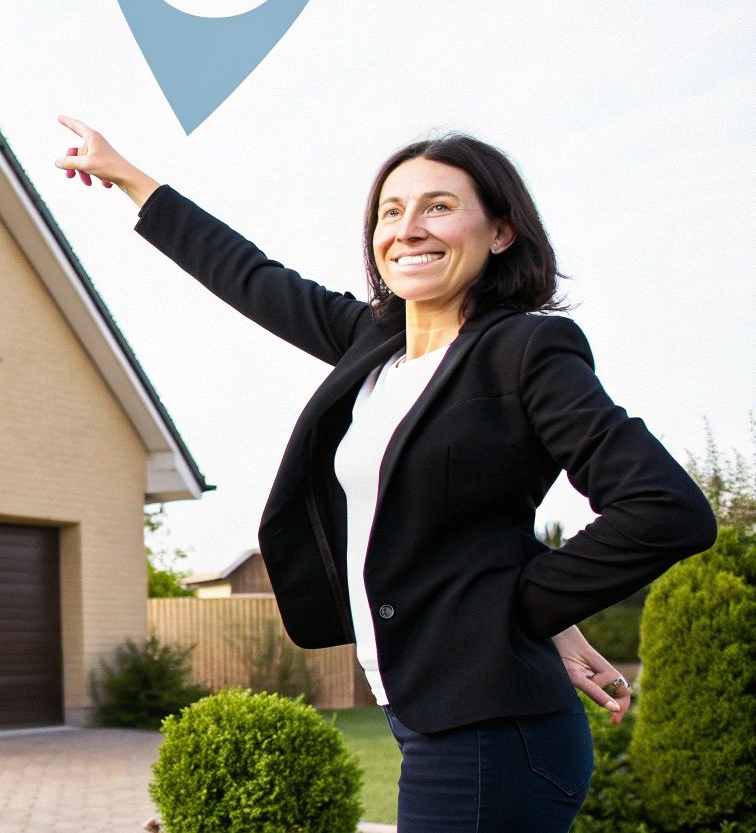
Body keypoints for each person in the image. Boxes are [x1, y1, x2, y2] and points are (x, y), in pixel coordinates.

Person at [53, 117, 716, 832]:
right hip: (432, 714)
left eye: (439, 206)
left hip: (494, 730)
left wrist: (524, 610)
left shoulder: (525, 351)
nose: (408, 228)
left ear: (500, 233)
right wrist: (131, 179)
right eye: (390, 212)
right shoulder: (372, 345)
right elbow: (251, 276)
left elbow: (664, 508)